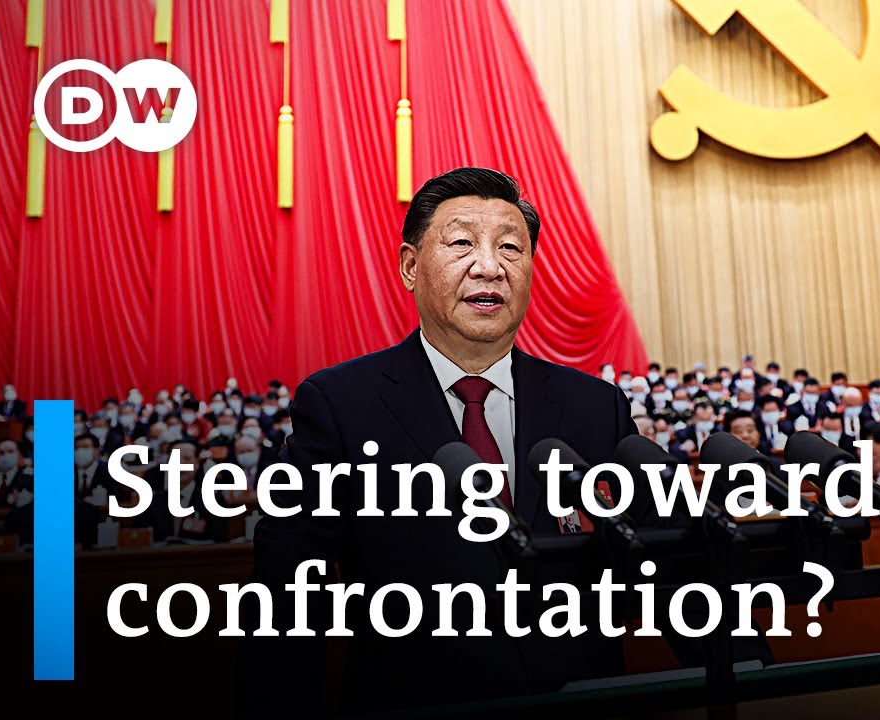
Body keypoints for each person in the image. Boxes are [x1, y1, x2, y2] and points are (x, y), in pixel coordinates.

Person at [244, 168, 662, 713]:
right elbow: (288, 600)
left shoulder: (595, 406)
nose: (490, 267)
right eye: (462, 242)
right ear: (410, 266)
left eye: (511, 247)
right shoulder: (341, 406)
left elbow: (660, 572)